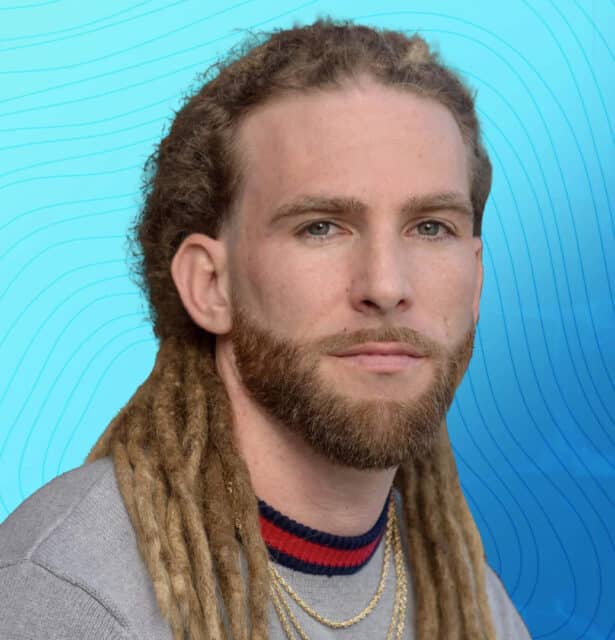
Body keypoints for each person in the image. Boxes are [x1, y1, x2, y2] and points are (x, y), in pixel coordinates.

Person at [0, 18, 532, 640]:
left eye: (431, 227)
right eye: (321, 227)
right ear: (210, 284)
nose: (387, 285)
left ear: (476, 277)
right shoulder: (71, 597)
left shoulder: (472, 602)